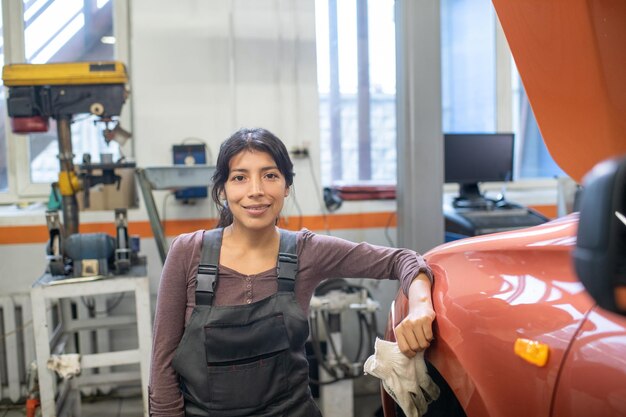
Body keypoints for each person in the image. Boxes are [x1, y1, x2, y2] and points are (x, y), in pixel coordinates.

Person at [149, 127, 436, 417]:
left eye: (270, 175)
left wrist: (420, 307)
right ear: (222, 189)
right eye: (240, 177)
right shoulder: (187, 252)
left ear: (286, 186)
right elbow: (162, 365)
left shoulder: (304, 250)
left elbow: (402, 260)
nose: (256, 190)